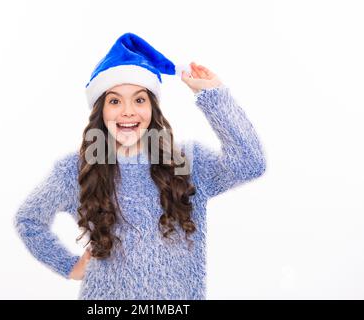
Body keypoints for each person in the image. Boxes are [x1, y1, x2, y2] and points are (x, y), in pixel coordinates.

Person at [14, 32, 267, 299]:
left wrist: (213, 97)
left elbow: (250, 164)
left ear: (152, 108)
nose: (127, 111)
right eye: (114, 101)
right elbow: (28, 220)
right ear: (100, 111)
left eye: (139, 99)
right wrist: (69, 266)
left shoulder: (186, 163)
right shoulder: (76, 169)